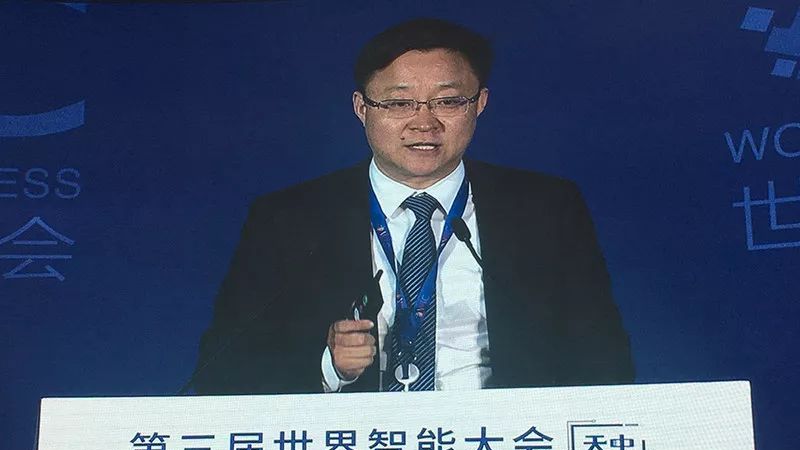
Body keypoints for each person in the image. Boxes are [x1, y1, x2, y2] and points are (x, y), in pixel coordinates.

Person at [191, 18, 634, 395]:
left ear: (479, 104)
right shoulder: (288, 219)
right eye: (399, 103)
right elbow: (221, 372)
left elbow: (604, 360)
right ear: (362, 108)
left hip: (501, 447)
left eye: (448, 101)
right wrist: (331, 368)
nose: (424, 122)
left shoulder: (546, 210)